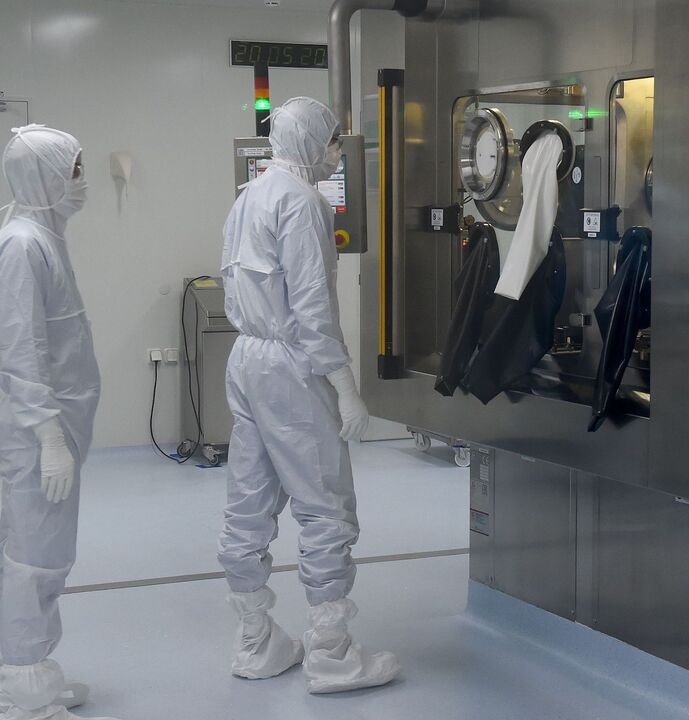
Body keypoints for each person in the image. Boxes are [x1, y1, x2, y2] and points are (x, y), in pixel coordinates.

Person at [218, 96, 400, 694]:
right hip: (292, 365)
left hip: (247, 358)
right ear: (311, 143)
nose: (337, 151)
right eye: (333, 140)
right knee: (325, 502)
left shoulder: (250, 196)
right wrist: (344, 385)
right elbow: (313, 305)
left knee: (249, 499)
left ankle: (256, 641)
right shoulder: (303, 202)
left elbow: (234, 283)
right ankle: (331, 653)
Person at [0, 124, 117, 720]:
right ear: (45, 175)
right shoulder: (20, 246)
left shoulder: (40, 239)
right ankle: (24, 695)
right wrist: (48, 435)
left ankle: (11, 675)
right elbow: (22, 350)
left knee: (25, 545)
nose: (81, 181)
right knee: (37, 554)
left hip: (50, 426)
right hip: (39, 432)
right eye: (75, 169)